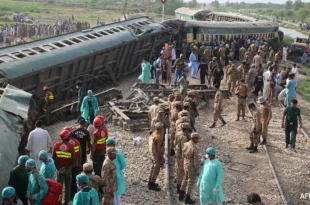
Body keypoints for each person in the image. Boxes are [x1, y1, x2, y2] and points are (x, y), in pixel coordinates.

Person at [53, 130, 75, 205]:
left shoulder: (56, 145)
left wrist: (59, 168)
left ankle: (58, 202)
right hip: (67, 169)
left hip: (59, 168)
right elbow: (72, 159)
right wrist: (65, 167)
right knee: (68, 186)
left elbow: (54, 157)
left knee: (59, 187)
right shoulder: (70, 146)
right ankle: (67, 201)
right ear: (67, 137)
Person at [179, 133, 200, 204]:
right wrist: (197, 171)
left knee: (185, 178)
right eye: (197, 138)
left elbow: (182, 154)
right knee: (191, 182)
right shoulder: (195, 147)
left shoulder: (186, 144)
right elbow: (196, 161)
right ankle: (187, 197)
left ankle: (181, 194)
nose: (198, 140)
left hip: (185, 163)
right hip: (191, 166)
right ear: (193, 138)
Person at [106, 138, 126, 205]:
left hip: (117, 173)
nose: (107, 146)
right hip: (112, 174)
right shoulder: (108, 152)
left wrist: (118, 169)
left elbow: (123, 164)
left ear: (113, 145)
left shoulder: (117, 153)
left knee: (116, 197)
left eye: (108, 145)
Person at [174, 123, 190, 194]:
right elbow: (183, 149)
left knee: (178, 168)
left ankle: (177, 180)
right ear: (186, 129)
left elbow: (175, 142)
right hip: (181, 155)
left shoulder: (178, 133)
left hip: (177, 153)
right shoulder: (183, 137)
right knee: (181, 171)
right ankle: (179, 187)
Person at [148, 122, 164, 191]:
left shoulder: (153, 134)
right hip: (155, 154)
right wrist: (162, 158)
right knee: (156, 167)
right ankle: (152, 183)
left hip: (152, 152)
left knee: (153, 167)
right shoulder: (158, 137)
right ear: (161, 129)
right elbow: (159, 149)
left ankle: (150, 181)